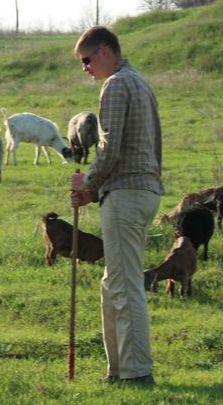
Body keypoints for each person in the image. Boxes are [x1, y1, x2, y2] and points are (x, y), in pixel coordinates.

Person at [69, 26, 164, 386]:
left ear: (105, 51)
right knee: (113, 284)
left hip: (126, 193)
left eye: (87, 59)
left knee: (125, 286)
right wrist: (95, 190)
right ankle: (118, 370)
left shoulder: (116, 85)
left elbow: (110, 148)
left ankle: (137, 373)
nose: (85, 68)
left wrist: (87, 183)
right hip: (142, 190)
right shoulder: (139, 81)